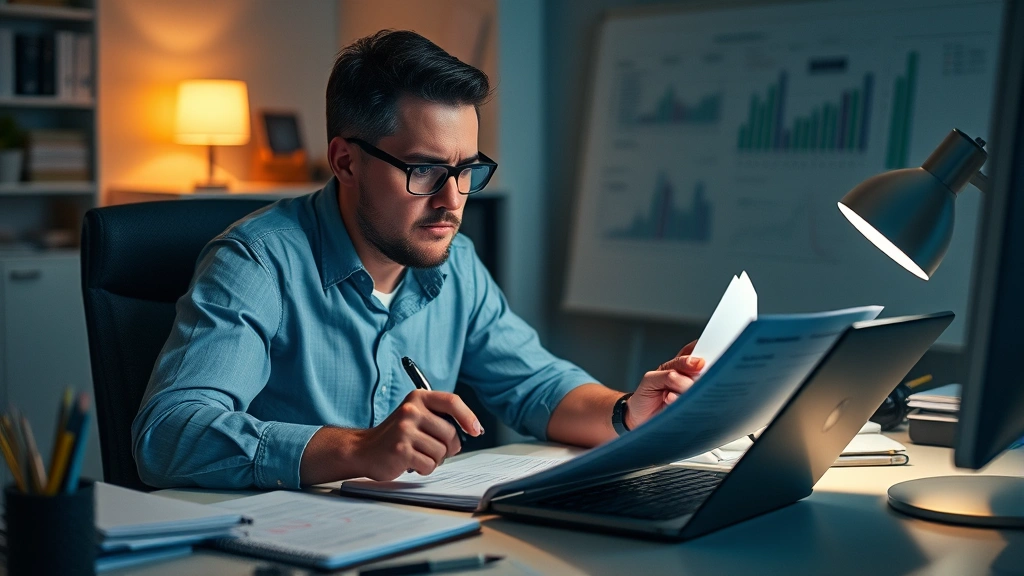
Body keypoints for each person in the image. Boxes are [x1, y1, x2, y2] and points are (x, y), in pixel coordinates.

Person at [132, 30, 705, 490]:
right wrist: (359, 448)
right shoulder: (256, 262)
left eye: (465, 171)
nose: (451, 201)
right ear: (346, 162)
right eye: (424, 170)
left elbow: (535, 384)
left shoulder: (456, 264)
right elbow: (168, 435)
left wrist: (629, 411)